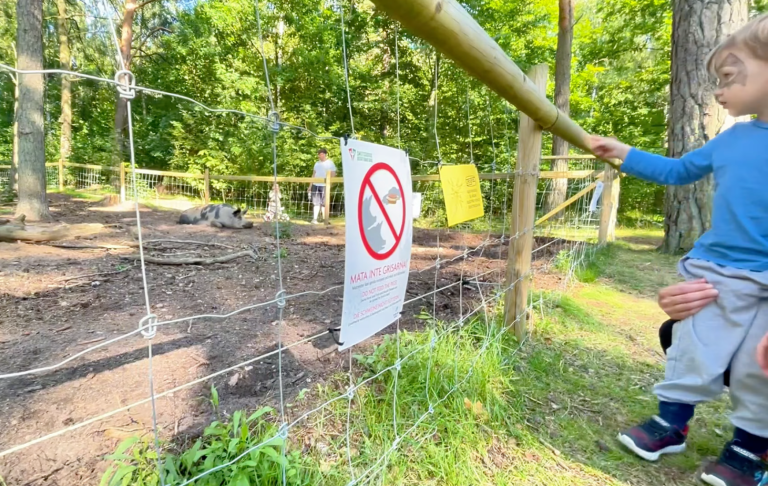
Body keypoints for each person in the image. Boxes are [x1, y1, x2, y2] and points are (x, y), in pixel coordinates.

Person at [589, 14, 768, 486]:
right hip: (718, 271)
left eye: (728, 77)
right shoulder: (734, 138)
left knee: (760, 368)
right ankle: (671, 424)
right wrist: (623, 153)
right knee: (690, 346)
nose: (718, 91)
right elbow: (677, 171)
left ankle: (749, 452)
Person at [308, 148, 336, 225]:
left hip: (325, 185)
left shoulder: (330, 163)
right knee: (316, 203)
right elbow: (313, 175)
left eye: (322, 154)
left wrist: (330, 184)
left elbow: (333, 174)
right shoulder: (316, 164)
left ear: (324, 154)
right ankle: (314, 219)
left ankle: (325, 219)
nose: (320, 156)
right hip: (315, 185)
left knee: (324, 203)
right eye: (319, 154)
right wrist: (310, 185)